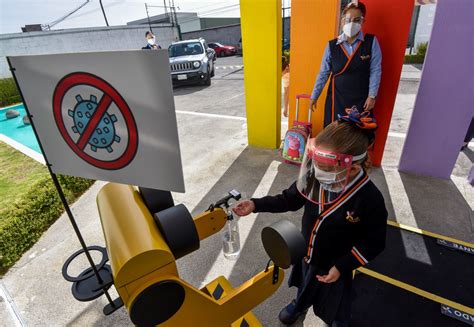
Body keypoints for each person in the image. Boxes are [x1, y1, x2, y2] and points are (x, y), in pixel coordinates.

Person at [233, 109, 387, 326]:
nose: (318, 171)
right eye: (316, 164)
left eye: (325, 168)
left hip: (336, 265)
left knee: (335, 306)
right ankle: (299, 304)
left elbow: (375, 242)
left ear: (352, 168)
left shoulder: (369, 199)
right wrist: (256, 204)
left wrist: (343, 266)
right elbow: (289, 199)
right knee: (304, 286)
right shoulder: (315, 178)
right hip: (308, 255)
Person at [309, 1, 382, 127]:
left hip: (361, 100)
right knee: (334, 134)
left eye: (357, 20)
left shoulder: (371, 42)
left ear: (362, 21)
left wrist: (372, 96)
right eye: (348, 20)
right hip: (336, 98)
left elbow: (376, 70)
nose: (352, 23)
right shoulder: (332, 46)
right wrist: (314, 96)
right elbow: (323, 73)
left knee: (356, 135)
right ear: (343, 21)